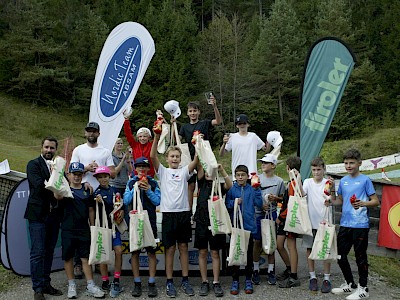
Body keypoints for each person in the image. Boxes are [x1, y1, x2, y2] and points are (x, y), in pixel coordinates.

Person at [150, 127, 199, 297]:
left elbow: (196, 161)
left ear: (180, 158)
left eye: (177, 156)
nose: (175, 158)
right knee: (169, 249)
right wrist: (156, 137)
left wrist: (198, 144)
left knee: (184, 247)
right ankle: (169, 281)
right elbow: (152, 157)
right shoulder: (163, 171)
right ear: (167, 158)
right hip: (168, 214)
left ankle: (185, 280)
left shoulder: (184, 171)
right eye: (172, 156)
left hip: (184, 213)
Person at [330, 149, 379, 300]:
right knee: (339, 255)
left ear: (359, 163)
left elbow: (376, 201)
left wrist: (364, 203)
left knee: (360, 257)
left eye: (352, 163)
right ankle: (350, 284)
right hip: (345, 224)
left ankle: (363, 288)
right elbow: (339, 201)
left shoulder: (365, 180)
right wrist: (331, 193)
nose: (349, 166)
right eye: (346, 163)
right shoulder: (343, 181)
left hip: (360, 225)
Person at [70, 121, 115, 278]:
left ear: (98, 133)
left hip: (100, 195)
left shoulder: (105, 151)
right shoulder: (78, 150)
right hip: (81, 193)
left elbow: (113, 172)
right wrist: (86, 169)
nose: (91, 134)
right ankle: (78, 263)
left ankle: (97, 260)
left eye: (94, 131)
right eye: (89, 131)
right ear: (85, 133)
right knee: (81, 228)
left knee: (99, 227)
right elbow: (70, 171)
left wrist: (101, 170)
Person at [25, 137, 64, 300]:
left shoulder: (58, 167)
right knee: (37, 253)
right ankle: (38, 289)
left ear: (56, 150)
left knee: (49, 252)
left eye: (52, 148)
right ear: (42, 148)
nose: (49, 150)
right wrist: (56, 190)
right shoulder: (33, 164)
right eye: (46, 147)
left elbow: (65, 184)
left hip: (54, 216)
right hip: (38, 216)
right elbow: (38, 184)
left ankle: (46, 284)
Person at [62, 162, 105, 299]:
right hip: (67, 229)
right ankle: (71, 284)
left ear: (83, 175)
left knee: (85, 258)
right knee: (68, 257)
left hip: (83, 229)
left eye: (79, 174)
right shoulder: (63, 190)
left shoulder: (87, 190)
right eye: (74, 174)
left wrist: (92, 227)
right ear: (69, 175)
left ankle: (90, 284)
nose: (76, 177)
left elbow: (91, 210)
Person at [123, 157, 161, 298]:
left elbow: (158, 201)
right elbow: (126, 201)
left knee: (151, 252)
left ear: (148, 168)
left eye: (144, 167)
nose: (141, 169)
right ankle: (137, 283)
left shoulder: (153, 182)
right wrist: (135, 188)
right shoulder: (131, 181)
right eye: (139, 167)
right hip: (135, 221)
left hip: (150, 221)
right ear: (135, 168)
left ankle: (151, 283)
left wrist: (149, 190)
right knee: (135, 253)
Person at [177, 98, 222, 212]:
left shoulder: (204, 123)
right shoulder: (184, 127)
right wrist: (172, 124)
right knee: (190, 187)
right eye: (190, 111)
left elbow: (218, 121)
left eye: (195, 111)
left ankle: (201, 213)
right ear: (187, 113)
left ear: (199, 112)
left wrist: (214, 106)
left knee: (203, 187)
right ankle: (189, 213)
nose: (193, 113)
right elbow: (177, 140)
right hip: (190, 160)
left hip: (204, 159)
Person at [194, 163, 232, 297]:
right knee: (202, 252)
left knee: (215, 253)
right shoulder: (201, 183)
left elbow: (230, 185)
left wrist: (222, 170)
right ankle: (204, 281)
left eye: (211, 171)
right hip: (202, 222)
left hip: (217, 223)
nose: (208, 174)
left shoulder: (220, 186)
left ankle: (216, 282)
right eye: (206, 171)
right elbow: (198, 165)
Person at [225, 165, 263, 295]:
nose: (240, 177)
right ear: (235, 177)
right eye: (238, 175)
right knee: (236, 253)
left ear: (248, 176)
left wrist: (257, 190)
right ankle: (235, 280)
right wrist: (233, 202)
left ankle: (248, 279)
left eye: (243, 175)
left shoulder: (252, 189)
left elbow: (259, 204)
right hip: (235, 226)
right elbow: (226, 205)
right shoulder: (231, 189)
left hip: (249, 227)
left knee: (248, 254)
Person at [91, 166, 125, 298]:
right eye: (100, 177)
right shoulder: (96, 193)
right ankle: (105, 280)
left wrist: (122, 211)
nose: (103, 179)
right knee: (103, 254)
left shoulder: (115, 190)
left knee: (119, 251)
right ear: (97, 179)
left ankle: (116, 279)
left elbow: (120, 205)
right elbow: (93, 211)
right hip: (103, 228)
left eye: (105, 176)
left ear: (109, 177)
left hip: (114, 228)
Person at [301, 157, 334, 293]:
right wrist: (297, 180)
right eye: (314, 170)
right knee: (310, 249)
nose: (316, 172)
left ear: (324, 169)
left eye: (319, 169)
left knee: (326, 249)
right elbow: (302, 195)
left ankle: (327, 278)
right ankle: (312, 276)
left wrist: (330, 199)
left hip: (325, 220)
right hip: (310, 221)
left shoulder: (328, 182)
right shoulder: (307, 182)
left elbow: (333, 198)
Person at [252, 154, 285, 286]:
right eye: (262, 162)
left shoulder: (279, 181)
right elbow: (252, 196)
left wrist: (275, 198)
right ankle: (255, 270)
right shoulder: (256, 178)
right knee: (257, 242)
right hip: (258, 214)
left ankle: (271, 271)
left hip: (271, 214)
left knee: (271, 242)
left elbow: (283, 198)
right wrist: (260, 204)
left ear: (273, 165)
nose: (263, 164)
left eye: (266, 162)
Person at [276, 156, 303, 288]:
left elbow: (292, 204)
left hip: (289, 220)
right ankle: (289, 268)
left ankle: (293, 275)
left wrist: (281, 217)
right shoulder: (291, 181)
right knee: (279, 244)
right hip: (284, 219)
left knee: (291, 246)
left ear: (288, 167)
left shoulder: (294, 182)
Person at [123, 110, 155, 177]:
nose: (142, 138)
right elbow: (128, 134)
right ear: (137, 137)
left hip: (149, 175)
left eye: (145, 136)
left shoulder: (152, 145)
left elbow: (158, 136)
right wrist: (126, 120)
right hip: (137, 175)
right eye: (140, 136)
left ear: (149, 137)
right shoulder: (135, 145)